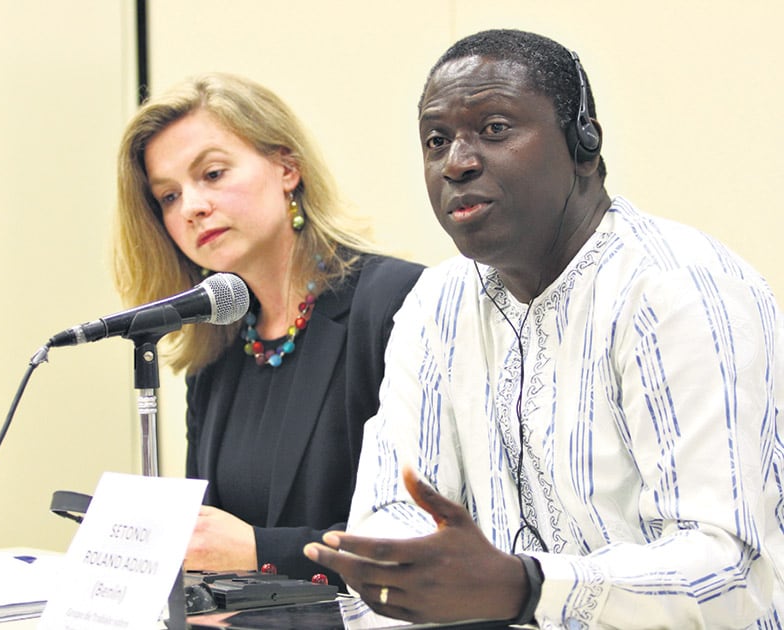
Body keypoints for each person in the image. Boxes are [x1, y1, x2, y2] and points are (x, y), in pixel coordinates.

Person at [304, 28, 784, 627]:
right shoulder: (437, 301)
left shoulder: (677, 288)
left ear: (584, 143)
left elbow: (729, 573)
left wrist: (529, 586)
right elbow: (394, 514)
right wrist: (405, 566)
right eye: (436, 140)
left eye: (495, 129)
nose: (457, 162)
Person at [112, 72, 423, 585]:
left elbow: (430, 538)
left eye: (211, 174)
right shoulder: (216, 352)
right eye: (168, 197)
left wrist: (260, 548)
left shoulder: (396, 304)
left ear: (287, 168)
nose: (191, 207)